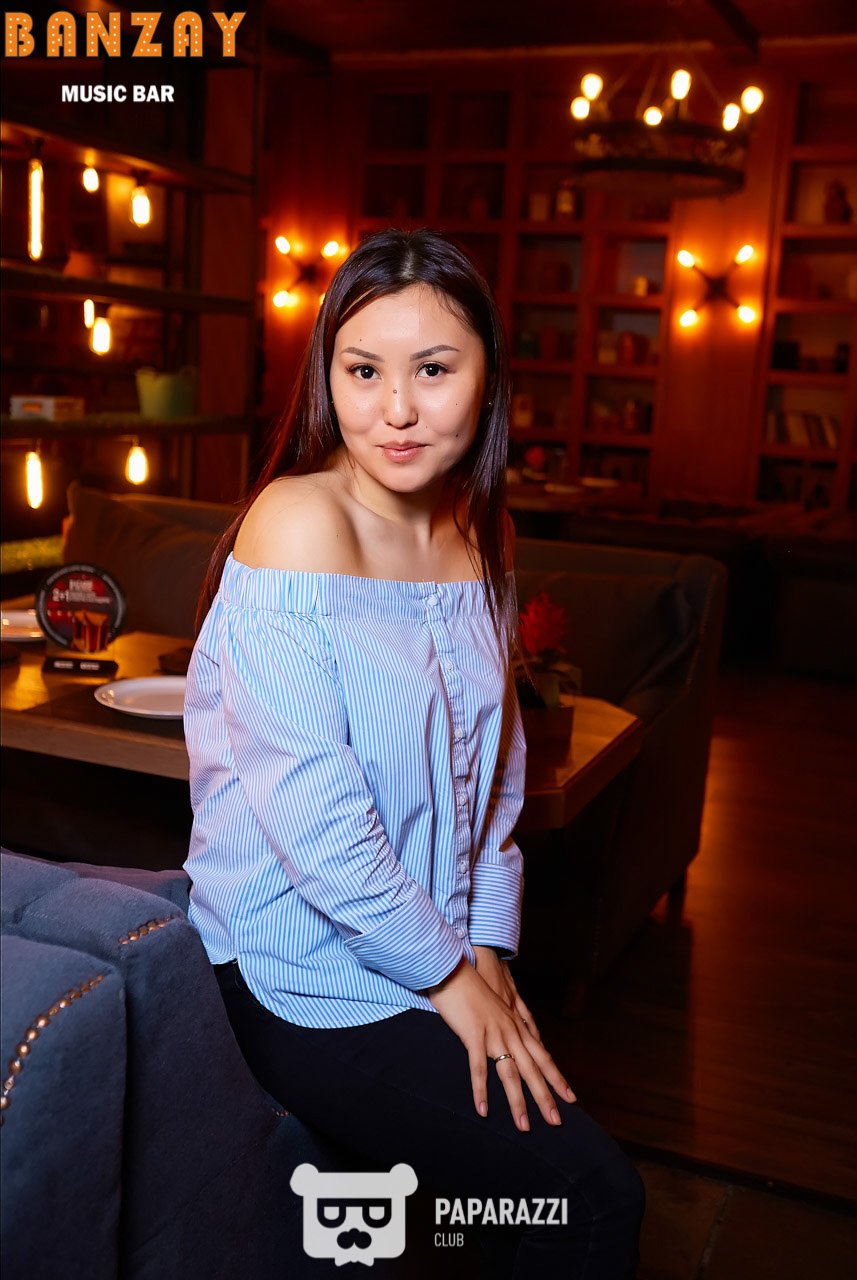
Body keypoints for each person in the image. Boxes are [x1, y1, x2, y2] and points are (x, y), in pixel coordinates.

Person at [184, 228, 645, 1278]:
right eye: (362, 371)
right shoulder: (295, 522)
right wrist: (448, 976)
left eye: (432, 370)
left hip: (429, 952)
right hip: (297, 969)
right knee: (592, 1199)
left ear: (488, 380)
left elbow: (491, 789)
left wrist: (488, 955)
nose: (393, 409)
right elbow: (317, 822)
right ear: (327, 377)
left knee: (517, 1199)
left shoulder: (477, 532)